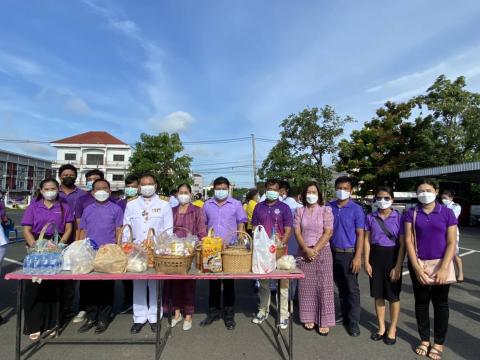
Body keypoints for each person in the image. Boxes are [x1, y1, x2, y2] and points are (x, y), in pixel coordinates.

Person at [404, 179, 457, 360]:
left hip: (441, 264)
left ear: (436, 191)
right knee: (421, 302)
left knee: (441, 304)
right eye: (420, 190)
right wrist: (416, 268)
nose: (424, 193)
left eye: (428, 189)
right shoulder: (411, 213)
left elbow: (451, 242)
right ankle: (425, 340)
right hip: (419, 264)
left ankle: (439, 343)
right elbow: (409, 241)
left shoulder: (447, 213)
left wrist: (443, 268)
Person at [21, 178, 74, 340]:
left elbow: (69, 228)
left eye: (53, 188)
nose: (50, 191)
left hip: (56, 247)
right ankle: (34, 325)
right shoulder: (33, 207)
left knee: (53, 288)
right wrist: (36, 247)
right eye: (46, 188)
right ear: (41, 190)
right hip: (36, 247)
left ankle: (52, 324)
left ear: (58, 189)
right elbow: (26, 229)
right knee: (34, 287)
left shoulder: (64, 207)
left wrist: (59, 246)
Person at [124, 174, 173, 334]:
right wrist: (127, 246)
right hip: (136, 249)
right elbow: (126, 227)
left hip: (156, 250)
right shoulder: (131, 204)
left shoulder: (164, 204)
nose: (147, 186)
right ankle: (139, 317)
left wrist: (163, 248)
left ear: (156, 185)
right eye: (143, 184)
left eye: (150, 183)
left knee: (155, 284)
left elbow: (168, 229)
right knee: (137, 283)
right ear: (138, 187)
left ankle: (154, 317)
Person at [77, 179, 123, 334]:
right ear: (92, 192)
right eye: (98, 189)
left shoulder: (116, 209)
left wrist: (117, 249)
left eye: (104, 188)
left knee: (106, 287)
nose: (101, 191)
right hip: (90, 252)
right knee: (89, 287)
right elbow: (82, 230)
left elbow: (119, 231)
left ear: (110, 192)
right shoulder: (88, 209)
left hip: (108, 253)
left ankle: (104, 318)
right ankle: (91, 317)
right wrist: (80, 248)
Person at [201, 177, 247, 330]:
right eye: (218, 188)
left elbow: (241, 222)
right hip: (212, 248)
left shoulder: (236, 204)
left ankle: (229, 315)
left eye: (223, 188)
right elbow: (204, 224)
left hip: (230, 248)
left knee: (228, 283)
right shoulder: (207, 204)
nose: (221, 191)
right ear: (214, 188)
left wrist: (240, 239)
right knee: (213, 281)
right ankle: (213, 312)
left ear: (228, 189)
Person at [364, 186, 405, 345]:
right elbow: (367, 241)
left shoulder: (399, 217)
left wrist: (398, 266)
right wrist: (366, 262)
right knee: (378, 294)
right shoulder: (370, 217)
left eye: (387, 198)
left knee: (393, 296)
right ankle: (381, 327)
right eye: (379, 198)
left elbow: (403, 244)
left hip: (393, 256)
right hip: (375, 256)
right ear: (375, 200)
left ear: (392, 200)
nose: (383, 201)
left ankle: (393, 328)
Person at [163, 184, 207, 331]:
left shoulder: (197, 211)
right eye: (180, 192)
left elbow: (201, 231)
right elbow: (166, 231)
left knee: (188, 284)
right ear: (176, 195)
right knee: (174, 283)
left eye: (186, 192)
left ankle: (188, 314)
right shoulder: (171, 210)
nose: (183, 195)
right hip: (174, 253)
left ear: (190, 194)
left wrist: (197, 245)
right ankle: (176, 313)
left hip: (190, 253)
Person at [251, 179, 293, 330]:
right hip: (263, 253)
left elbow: (288, 229)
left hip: (280, 251)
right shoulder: (258, 207)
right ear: (265, 189)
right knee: (264, 283)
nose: (272, 192)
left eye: (275, 189)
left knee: (283, 284)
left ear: (279, 191)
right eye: (269, 189)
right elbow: (255, 227)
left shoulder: (285, 208)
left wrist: (282, 243)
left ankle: (283, 314)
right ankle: (263, 310)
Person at [294, 182, 334, 335]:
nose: (311, 195)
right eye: (309, 192)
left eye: (314, 192)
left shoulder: (326, 210)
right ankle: (308, 317)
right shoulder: (299, 211)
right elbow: (297, 232)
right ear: (304, 195)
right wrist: (306, 249)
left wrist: (315, 250)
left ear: (319, 195)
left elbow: (328, 232)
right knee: (306, 287)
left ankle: (324, 320)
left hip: (322, 251)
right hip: (303, 252)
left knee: (324, 286)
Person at [329, 176, 365, 337]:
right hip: (331, 252)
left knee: (352, 289)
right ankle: (344, 315)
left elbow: (360, 234)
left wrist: (358, 257)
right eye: (339, 188)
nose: (341, 191)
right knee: (340, 286)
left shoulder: (356, 209)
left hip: (348, 253)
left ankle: (354, 322)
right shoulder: (329, 206)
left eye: (345, 188)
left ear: (351, 191)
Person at [72, 169, 106, 324]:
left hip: (106, 248)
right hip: (88, 245)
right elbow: (80, 225)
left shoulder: (112, 202)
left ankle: (103, 314)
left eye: (96, 179)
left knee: (105, 282)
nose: (93, 181)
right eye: (90, 180)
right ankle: (86, 310)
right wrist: (81, 244)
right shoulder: (82, 200)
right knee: (86, 281)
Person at [57, 164, 86, 320]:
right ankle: (57, 308)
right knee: (56, 274)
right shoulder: (54, 193)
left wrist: (80, 240)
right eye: (65, 174)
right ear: (60, 176)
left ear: (76, 176)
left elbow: (82, 220)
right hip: (56, 240)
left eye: (71, 174)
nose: (68, 176)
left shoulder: (82, 195)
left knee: (73, 276)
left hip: (75, 239)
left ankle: (70, 307)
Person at [117, 174, 139, 314]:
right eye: (128, 187)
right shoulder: (120, 204)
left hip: (141, 243)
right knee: (127, 275)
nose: (130, 189)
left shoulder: (142, 202)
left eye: (133, 187)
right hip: (125, 242)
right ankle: (128, 300)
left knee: (141, 273)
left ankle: (141, 302)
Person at [440, 190, 463, 282]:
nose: (443, 200)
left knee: (454, 253)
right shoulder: (441, 207)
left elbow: (452, 218)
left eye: (445, 198)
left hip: (452, 232)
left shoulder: (455, 206)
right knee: (442, 252)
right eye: (442, 198)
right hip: (441, 231)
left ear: (451, 198)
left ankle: (460, 273)